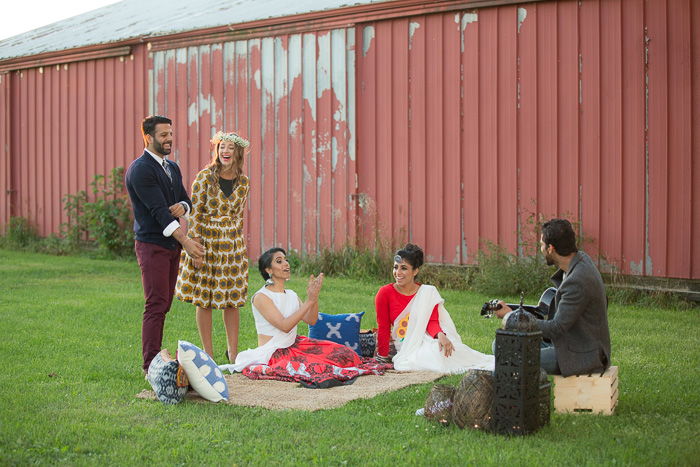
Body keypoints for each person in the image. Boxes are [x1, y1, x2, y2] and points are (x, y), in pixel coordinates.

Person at [219, 248, 390, 388]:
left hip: (297, 344)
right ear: (268, 270)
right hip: (274, 352)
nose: (285, 264)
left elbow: (311, 320)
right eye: (279, 261)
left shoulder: (291, 294)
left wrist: (313, 299)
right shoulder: (261, 297)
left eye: (285, 260)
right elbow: (284, 325)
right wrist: (308, 301)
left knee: (345, 353)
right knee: (319, 368)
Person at [125, 115, 205, 374]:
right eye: (163, 135)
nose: (169, 138)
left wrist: (182, 206)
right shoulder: (141, 170)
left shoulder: (171, 167)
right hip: (152, 246)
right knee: (156, 303)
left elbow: (185, 201)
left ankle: (156, 359)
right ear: (148, 137)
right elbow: (159, 214)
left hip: (171, 247)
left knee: (164, 303)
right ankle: (150, 366)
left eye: (170, 133)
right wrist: (187, 242)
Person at [493, 218, 611, 377]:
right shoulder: (579, 261)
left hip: (583, 354)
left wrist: (511, 317)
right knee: (501, 345)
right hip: (570, 343)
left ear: (551, 248)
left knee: (507, 354)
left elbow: (556, 328)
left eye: (542, 244)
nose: (540, 248)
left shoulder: (578, 280)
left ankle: (512, 399)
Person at [175, 131, 250, 363]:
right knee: (204, 298)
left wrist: (239, 248)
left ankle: (233, 353)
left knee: (232, 299)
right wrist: (194, 249)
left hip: (232, 247)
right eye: (221, 147)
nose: (225, 151)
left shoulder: (244, 182)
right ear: (216, 151)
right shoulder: (205, 177)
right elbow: (194, 214)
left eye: (230, 148)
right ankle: (208, 353)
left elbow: (239, 216)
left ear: (238, 153)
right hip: (206, 242)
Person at [375, 243, 494, 373]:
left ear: (415, 271)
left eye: (404, 268)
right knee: (427, 358)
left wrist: (440, 335)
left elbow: (432, 321)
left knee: (443, 350)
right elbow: (383, 327)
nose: (398, 273)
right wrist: (382, 356)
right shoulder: (385, 293)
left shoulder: (427, 292)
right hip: (407, 344)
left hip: (428, 337)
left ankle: (485, 365)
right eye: (395, 267)